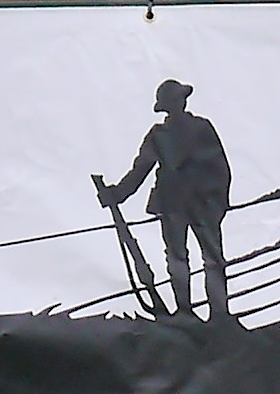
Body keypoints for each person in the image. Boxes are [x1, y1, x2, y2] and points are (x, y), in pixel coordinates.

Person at [101, 79, 235, 325]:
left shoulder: (198, 128)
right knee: (183, 258)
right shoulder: (161, 135)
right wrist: (117, 194)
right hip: (179, 204)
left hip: (198, 204)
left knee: (202, 258)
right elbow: (140, 170)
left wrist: (218, 203)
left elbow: (220, 167)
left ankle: (216, 313)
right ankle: (189, 312)